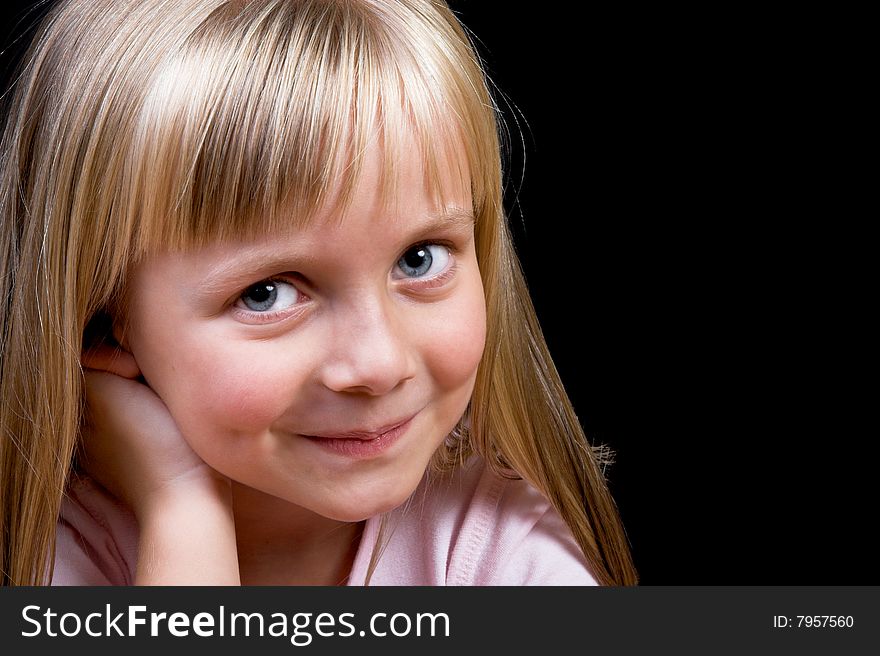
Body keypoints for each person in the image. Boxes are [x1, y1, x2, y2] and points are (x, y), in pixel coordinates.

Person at [0, 0, 637, 586]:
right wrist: (182, 511)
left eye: (419, 259)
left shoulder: (493, 549)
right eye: (267, 294)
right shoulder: (49, 557)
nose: (378, 365)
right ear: (107, 317)